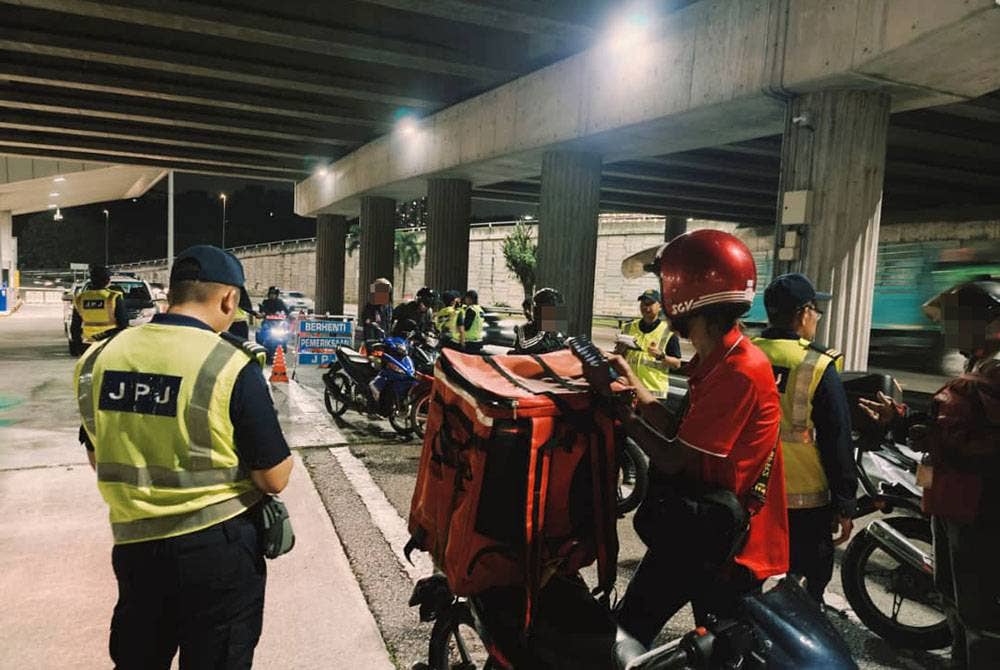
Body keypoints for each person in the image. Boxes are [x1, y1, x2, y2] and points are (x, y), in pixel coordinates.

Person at [73, 245, 293, 669]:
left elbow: (99, 457)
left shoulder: (99, 358)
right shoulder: (229, 363)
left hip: (136, 546)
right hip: (218, 551)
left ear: (172, 293)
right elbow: (273, 478)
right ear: (228, 299)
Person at [601, 230, 787, 648]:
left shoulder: (739, 370)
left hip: (725, 544)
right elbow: (677, 428)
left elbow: (672, 456)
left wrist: (622, 414)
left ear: (681, 293)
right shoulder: (718, 358)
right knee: (634, 630)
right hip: (699, 527)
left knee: (650, 637)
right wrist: (630, 382)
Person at [860, 278, 1000, 669]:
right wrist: (904, 422)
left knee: (980, 615)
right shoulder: (978, 364)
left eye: (954, 321)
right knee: (956, 602)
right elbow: (955, 427)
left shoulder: (996, 369)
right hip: (953, 503)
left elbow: (977, 442)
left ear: (986, 321)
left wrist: (934, 435)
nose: (945, 330)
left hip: (981, 512)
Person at [751, 273, 855, 605]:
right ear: (803, 313)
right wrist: (845, 500)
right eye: (816, 312)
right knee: (808, 590)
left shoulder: (746, 353)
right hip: (804, 500)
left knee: (748, 580)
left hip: (749, 492)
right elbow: (836, 437)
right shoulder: (817, 363)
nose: (816, 319)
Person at [614, 289, 682, 398]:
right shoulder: (628, 328)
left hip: (654, 394)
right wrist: (619, 351)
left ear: (660, 306)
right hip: (630, 390)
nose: (646, 307)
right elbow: (618, 356)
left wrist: (661, 356)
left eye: (650, 303)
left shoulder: (668, 332)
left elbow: (677, 364)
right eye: (643, 303)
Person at [70, 264, 128, 348]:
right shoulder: (113, 297)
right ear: (108, 281)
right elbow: (123, 324)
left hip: (88, 342)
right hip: (110, 342)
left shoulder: (80, 298)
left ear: (92, 280)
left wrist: (78, 344)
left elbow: (75, 326)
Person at [511, 287, 568, 355]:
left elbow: (564, 346)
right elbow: (524, 347)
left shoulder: (557, 331)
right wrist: (543, 331)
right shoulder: (525, 329)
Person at [360, 277, 393, 343]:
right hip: (373, 340)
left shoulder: (388, 306)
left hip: (385, 339)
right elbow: (367, 321)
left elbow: (389, 322)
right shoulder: (370, 307)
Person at [458, 289, 485, 354]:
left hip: (470, 341)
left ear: (470, 299)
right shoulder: (480, 310)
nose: (465, 300)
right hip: (478, 340)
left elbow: (466, 326)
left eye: (466, 298)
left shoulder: (471, 310)